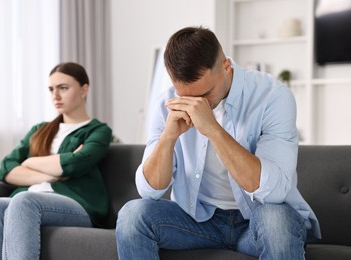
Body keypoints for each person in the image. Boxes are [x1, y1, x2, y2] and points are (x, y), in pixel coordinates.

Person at [116, 26, 321, 259]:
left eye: (205, 94)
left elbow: (273, 193)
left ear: (226, 66)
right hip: (197, 223)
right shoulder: (167, 103)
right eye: (187, 96)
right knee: (132, 215)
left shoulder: (272, 96)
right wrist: (168, 137)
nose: (196, 104)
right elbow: (149, 191)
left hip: (258, 219)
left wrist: (212, 129)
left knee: (275, 222)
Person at [0, 62, 112, 260]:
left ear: (84, 89)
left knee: (23, 200)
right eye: (51, 89)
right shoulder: (40, 130)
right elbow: (6, 168)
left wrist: (29, 162)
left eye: (63, 88)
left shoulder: (98, 131)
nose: (56, 95)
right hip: (30, 197)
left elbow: (75, 164)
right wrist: (51, 173)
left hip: (76, 204)